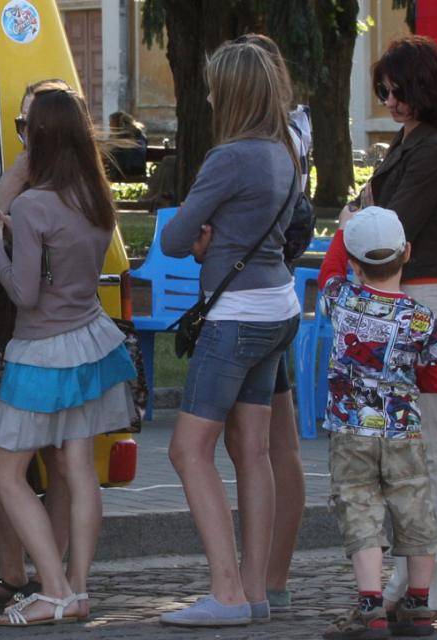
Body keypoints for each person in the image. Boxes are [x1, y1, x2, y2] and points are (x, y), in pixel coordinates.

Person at [0, 82, 137, 626]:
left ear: (40, 138)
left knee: (3, 473)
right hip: (90, 344)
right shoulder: (95, 199)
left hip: (40, 354)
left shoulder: (33, 204)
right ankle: (78, 590)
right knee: (77, 469)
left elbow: (24, 294)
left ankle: (53, 589)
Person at [158, 41, 300, 627]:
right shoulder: (284, 153)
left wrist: (202, 242)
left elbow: (173, 240)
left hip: (235, 313)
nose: (210, 96)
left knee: (187, 450)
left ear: (234, 93)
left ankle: (227, 592)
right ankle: (254, 590)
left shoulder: (229, 158)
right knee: (253, 451)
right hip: (278, 307)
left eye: (216, 87)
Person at [352, 35, 437, 629]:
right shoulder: (414, 138)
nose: (391, 103)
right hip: (411, 295)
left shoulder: (434, 147)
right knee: (411, 452)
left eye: (397, 92)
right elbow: (372, 212)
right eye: (384, 93)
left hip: (423, 297)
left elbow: (388, 228)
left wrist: (363, 213)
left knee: (429, 449)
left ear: (423, 88)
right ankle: (416, 585)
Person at [318, 206, 437, 639]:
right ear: (407, 253)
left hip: (350, 432)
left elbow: (328, 272)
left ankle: (370, 606)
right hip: (402, 433)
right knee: (415, 508)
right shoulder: (420, 317)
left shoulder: (342, 299)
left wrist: (343, 230)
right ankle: (418, 603)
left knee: (359, 509)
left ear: (355, 264)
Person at [0, 80, 73, 607]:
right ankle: (13, 572)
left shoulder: (69, 187)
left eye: (33, 124)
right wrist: (12, 179)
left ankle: (54, 578)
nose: (26, 134)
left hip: (44, 328)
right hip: (0, 326)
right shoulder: (21, 179)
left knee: (57, 457)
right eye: (20, 125)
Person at [227, 31, 312, 612]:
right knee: (277, 442)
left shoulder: (269, 141)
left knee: (261, 446)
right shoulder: (292, 134)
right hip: (276, 296)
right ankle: (270, 576)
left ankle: (261, 576)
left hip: (253, 302)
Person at [107, 111, 147, 180]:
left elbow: (112, 152)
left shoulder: (121, 136)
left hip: (125, 171)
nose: (109, 125)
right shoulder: (139, 134)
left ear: (118, 123)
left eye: (111, 122)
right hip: (139, 170)